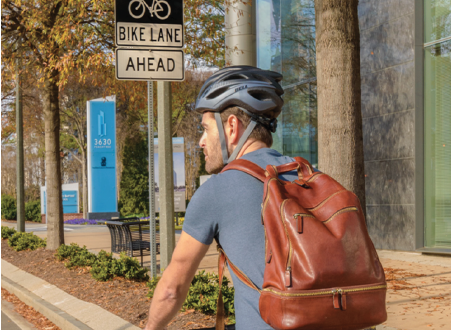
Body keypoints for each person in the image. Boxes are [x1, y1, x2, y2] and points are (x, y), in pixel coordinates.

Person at [144, 66, 298, 330]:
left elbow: (172, 289)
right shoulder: (310, 176)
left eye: (205, 129)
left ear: (232, 126)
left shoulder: (218, 189)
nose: (201, 141)